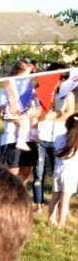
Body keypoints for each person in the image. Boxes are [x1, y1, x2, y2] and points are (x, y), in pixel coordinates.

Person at [34, 64, 74, 211]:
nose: (62, 81)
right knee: (39, 172)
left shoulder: (68, 94)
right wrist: (56, 112)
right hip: (41, 136)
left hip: (59, 137)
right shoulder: (42, 92)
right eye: (59, 77)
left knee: (60, 172)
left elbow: (69, 114)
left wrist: (52, 115)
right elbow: (39, 114)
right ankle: (38, 205)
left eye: (64, 77)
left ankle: (61, 206)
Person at [0, 60, 41, 190]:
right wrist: (23, 116)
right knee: (11, 179)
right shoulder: (6, 91)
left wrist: (28, 114)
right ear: (19, 73)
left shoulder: (31, 91)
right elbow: (4, 114)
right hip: (12, 141)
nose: (31, 77)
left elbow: (38, 110)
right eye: (29, 73)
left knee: (25, 175)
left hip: (30, 140)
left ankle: (19, 204)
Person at [49, 113, 78, 228]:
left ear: (67, 124)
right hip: (71, 173)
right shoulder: (76, 142)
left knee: (55, 197)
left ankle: (51, 219)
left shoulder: (59, 138)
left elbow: (55, 152)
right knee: (65, 200)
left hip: (58, 171)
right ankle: (61, 223)